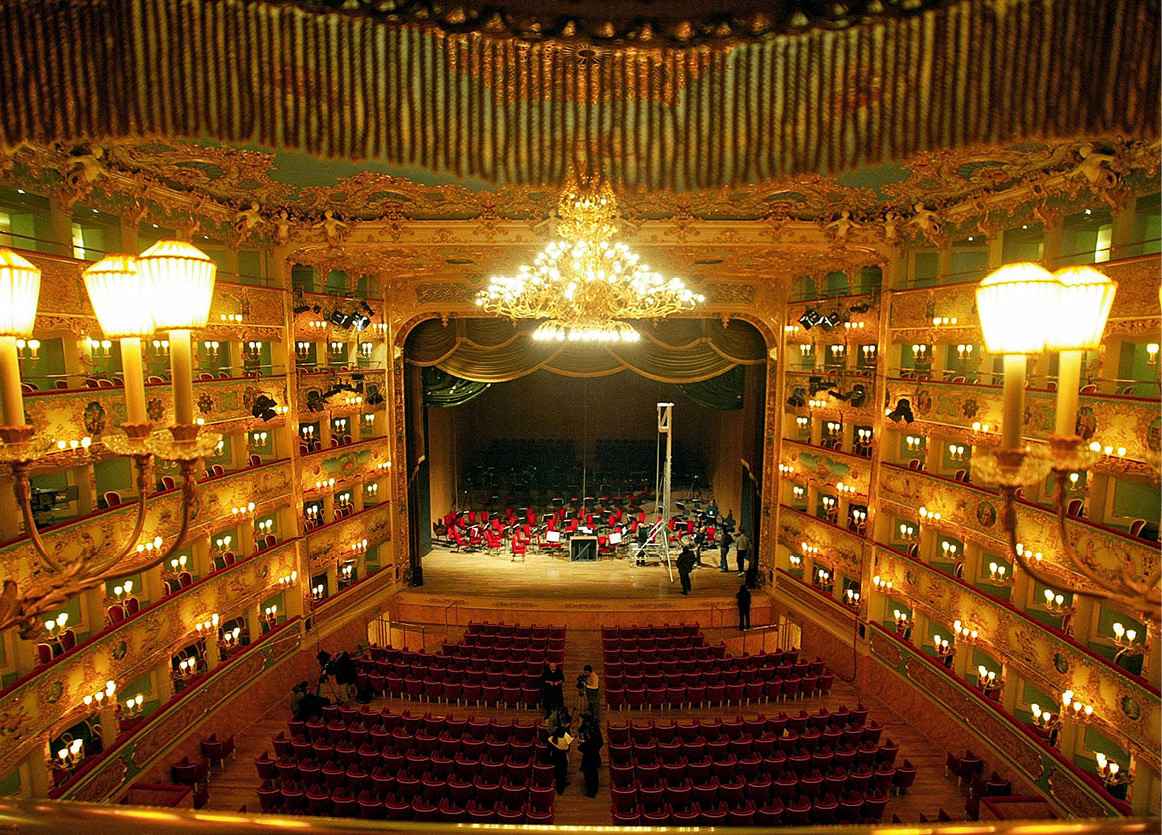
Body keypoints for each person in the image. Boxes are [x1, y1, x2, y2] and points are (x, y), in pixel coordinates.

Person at [577, 714, 604, 798]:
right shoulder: (588, 724)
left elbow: (592, 742)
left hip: (592, 750)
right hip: (590, 750)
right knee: (588, 769)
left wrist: (583, 742)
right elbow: (580, 729)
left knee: (592, 772)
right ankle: (589, 783)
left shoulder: (593, 729)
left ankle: (592, 791)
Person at [547, 724, 575, 795]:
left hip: (554, 758)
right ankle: (560, 788)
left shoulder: (551, 739)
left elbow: (548, 748)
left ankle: (559, 785)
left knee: (557, 773)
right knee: (562, 773)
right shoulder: (563, 742)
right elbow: (567, 749)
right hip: (562, 760)